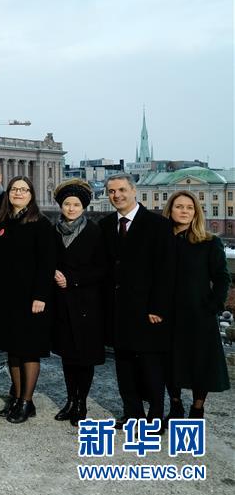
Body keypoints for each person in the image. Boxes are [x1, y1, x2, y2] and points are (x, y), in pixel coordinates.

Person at [99, 174, 174, 428]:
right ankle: (132, 414)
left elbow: (166, 271)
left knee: (151, 366)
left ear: (134, 191)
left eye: (121, 190)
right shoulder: (106, 224)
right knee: (124, 366)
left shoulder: (158, 225)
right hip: (118, 309)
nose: (116, 195)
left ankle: (155, 417)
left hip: (147, 310)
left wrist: (157, 307)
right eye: (111, 192)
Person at [0, 176, 56, 424]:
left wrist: (41, 295)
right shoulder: (2, 222)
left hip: (31, 298)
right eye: (14, 189)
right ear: (8, 194)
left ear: (31, 194)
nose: (18, 193)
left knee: (29, 350)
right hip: (8, 297)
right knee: (13, 350)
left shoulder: (41, 224)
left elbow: (47, 263)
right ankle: (18, 397)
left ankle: (27, 401)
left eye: (24, 189)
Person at [162, 190, 230, 421]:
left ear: (196, 212)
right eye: (179, 206)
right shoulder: (162, 242)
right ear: (170, 210)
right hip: (168, 313)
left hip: (200, 313)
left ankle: (197, 408)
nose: (184, 211)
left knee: (202, 363)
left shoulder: (210, 242)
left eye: (189, 207)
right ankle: (176, 405)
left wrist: (213, 305)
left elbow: (222, 277)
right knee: (171, 361)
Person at [49, 179, 105, 426]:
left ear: (83, 207)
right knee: (67, 356)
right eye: (67, 204)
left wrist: (71, 279)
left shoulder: (95, 231)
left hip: (87, 304)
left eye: (76, 204)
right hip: (62, 303)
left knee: (85, 357)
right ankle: (70, 400)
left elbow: (102, 269)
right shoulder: (54, 230)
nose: (71, 208)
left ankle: (81, 402)